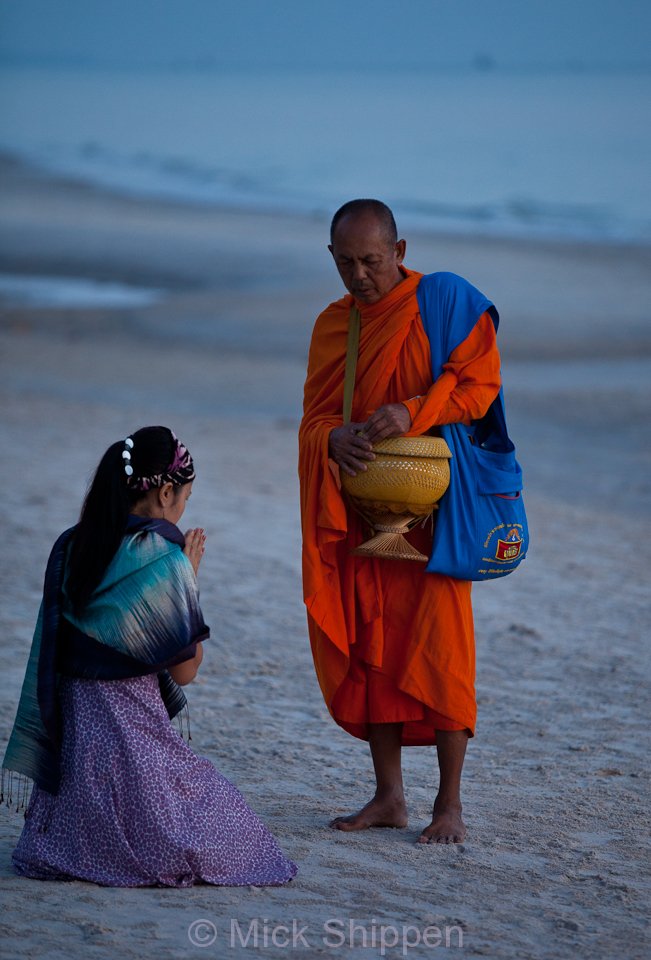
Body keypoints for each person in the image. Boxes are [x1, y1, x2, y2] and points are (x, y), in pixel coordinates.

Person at [2, 426, 297, 887]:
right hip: (134, 757)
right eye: (185, 498)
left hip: (74, 770)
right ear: (164, 492)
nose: (183, 510)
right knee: (244, 835)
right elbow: (186, 671)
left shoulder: (72, 546)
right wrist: (188, 581)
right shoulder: (165, 558)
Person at [298, 200, 502, 843]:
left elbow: (480, 387)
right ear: (331, 259)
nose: (360, 276)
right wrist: (334, 442)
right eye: (346, 263)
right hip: (366, 513)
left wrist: (414, 410)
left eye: (372, 261)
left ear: (401, 250)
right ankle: (389, 797)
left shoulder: (442, 305)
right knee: (373, 647)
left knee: (442, 647)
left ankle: (450, 805)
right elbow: (314, 419)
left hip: (439, 515)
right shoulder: (335, 326)